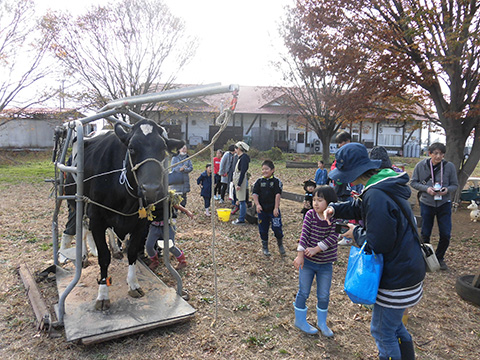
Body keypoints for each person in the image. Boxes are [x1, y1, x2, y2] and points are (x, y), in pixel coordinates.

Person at [324, 142, 426, 360]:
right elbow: (359, 206)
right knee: (395, 327)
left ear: (357, 171)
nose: (345, 178)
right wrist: (335, 208)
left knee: (381, 331)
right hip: (408, 270)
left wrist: (355, 233)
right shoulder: (381, 185)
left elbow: (379, 243)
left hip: (396, 279)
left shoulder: (376, 195)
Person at [293, 185, 339, 337]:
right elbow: (304, 235)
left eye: (320, 200)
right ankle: (299, 321)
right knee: (303, 291)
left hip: (325, 264)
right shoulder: (310, 215)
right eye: (314, 200)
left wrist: (316, 249)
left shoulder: (334, 217)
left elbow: (334, 237)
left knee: (324, 295)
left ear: (330, 203)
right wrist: (300, 255)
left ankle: (322, 323)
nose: (316, 203)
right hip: (308, 263)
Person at [410, 142, 458, 270]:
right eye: (435, 153)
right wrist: (426, 189)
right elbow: (413, 182)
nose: (438, 156)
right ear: (429, 153)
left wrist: (446, 190)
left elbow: (455, 185)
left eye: (441, 154)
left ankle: (439, 258)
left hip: (444, 203)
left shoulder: (449, 167)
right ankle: (425, 258)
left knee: (446, 233)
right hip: (427, 203)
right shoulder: (421, 166)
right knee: (425, 232)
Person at [146, 191, 194, 271]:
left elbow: (176, 205)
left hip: (167, 225)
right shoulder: (147, 197)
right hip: (154, 225)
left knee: (170, 245)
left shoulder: (166, 195)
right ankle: (155, 261)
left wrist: (186, 211)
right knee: (149, 245)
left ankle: (182, 261)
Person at [252, 160, 285, 256]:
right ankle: (265, 247)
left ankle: (280, 244)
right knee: (263, 228)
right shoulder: (259, 181)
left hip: (273, 210)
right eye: (263, 169)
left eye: (267, 169)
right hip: (262, 210)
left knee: (277, 227)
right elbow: (255, 194)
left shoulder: (276, 182)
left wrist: (276, 208)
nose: (264, 171)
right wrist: (257, 205)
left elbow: (277, 195)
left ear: (272, 170)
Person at [231, 141, 250, 224]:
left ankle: (241, 219)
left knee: (242, 201)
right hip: (238, 182)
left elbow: (242, 172)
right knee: (240, 200)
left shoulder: (244, 158)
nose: (235, 150)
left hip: (241, 182)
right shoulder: (240, 157)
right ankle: (241, 217)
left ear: (239, 149)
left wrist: (238, 184)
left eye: (235, 148)